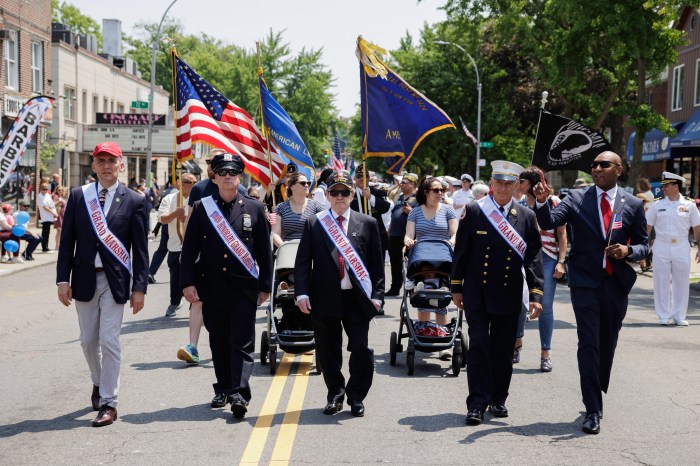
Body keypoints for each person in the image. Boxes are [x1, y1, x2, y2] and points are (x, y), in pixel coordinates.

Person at [533, 151, 648, 435]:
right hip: (584, 282)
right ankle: (593, 409)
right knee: (588, 344)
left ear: (618, 170)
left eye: (603, 164)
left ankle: (596, 388)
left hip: (616, 283)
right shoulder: (575, 198)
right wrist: (542, 200)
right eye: (594, 164)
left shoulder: (632, 204)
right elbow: (548, 221)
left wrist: (628, 251)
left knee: (606, 342)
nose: (596, 168)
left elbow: (645, 245)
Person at [56, 141, 149, 427]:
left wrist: (139, 288)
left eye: (112, 161)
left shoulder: (134, 200)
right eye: (101, 161)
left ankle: (109, 401)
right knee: (88, 341)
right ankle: (98, 382)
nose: (107, 166)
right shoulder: (77, 196)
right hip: (83, 277)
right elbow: (67, 241)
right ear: (93, 165)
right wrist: (62, 279)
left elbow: (141, 249)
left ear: (121, 165)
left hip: (115, 280)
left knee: (109, 340)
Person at [180, 152, 272, 419]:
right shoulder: (202, 207)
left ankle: (240, 394)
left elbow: (264, 252)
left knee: (241, 342)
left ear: (239, 176)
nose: (228, 177)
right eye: (222, 172)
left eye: (232, 172)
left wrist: (265, 285)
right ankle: (222, 388)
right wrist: (187, 283)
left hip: (244, 286)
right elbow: (190, 250)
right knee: (218, 340)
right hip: (212, 286)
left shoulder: (255, 208)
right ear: (214, 176)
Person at [451, 161, 544, 426]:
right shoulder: (474, 210)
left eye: (508, 183)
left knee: (503, 350)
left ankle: (498, 398)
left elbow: (533, 257)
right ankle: (477, 403)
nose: (503, 187)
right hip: (477, 292)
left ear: (516, 186)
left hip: (509, 291)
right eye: (498, 182)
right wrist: (456, 286)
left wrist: (536, 294)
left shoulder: (526, 216)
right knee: (479, 347)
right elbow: (462, 251)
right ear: (491, 184)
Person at [294, 170, 385, 417]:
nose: (340, 197)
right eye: (334, 192)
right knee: (328, 351)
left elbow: (377, 264)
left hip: (357, 299)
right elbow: (303, 261)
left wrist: (377, 295)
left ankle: (356, 396)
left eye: (345, 192)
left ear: (353, 195)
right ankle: (335, 394)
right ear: (328, 196)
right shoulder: (315, 222)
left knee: (360, 348)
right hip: (324, 297)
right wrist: (301, 293)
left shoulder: (368, 223)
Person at [512, 167, 567, 372]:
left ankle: (545, 352)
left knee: (545, 306)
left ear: (532, 183)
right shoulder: (519, 205)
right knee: (521, 303)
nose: (518, 185)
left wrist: (561, 260)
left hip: (549, 258)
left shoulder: (553, 202)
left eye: (522, 181)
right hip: (525, 259)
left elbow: (561, 234)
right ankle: (517, 342)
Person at [404, 177, 459, 359]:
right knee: (424, 294)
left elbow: (454, 233)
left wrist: (452, 241)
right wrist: (408, 241)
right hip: (422, 257)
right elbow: (409, 234)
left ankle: (443, 341)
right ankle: (424, 332)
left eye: (442, 190)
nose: (440, 193)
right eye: (436, 190)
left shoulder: (448, 210)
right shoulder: (415, 213)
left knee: (440, 295)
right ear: (425, 192)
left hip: (442, 257)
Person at [645, 172, 700, 326]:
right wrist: (643, 246)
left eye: (667, 186)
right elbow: (647, 227)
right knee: (661, 281)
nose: (663, 189)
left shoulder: (689, 205)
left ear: (676, 186)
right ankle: (663, 315)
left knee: (681, 281)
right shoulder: (657, 204)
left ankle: (679, 315)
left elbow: (697, 228)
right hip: (661, 244)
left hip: (681, 245)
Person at [158, 173, 197, 318]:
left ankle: (195, 303)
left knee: (197, 277)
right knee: (175, 279)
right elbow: (162, 219)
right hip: (175, 245)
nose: (190, 185)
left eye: (193, 182)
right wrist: (175, 213)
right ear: (179, 183)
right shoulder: (170, 198)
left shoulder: (199, 199)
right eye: (187, 181)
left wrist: (189, 219)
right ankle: (175, 301)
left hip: (194, 247)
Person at [271, 172, 324, 247]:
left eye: (308, 183)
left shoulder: (317, 207)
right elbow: (275, 233)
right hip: (287, 251)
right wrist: (284, 248)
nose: (306, 185)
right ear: (292, 186)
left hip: (311, 251)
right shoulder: (280, 208)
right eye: (303, 183)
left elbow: (324, 232)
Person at [386, 173, 418, 296]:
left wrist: (411, 211)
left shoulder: (418, 198)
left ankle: (412, 287)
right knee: (395, 263)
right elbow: (394, 214)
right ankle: (395, 287)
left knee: (411, 262)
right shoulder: (399, 197)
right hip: (395, 234)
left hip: (409, 236)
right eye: (402, 182)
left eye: (405, 183)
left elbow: (422, 213)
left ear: (413, 184)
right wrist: (390, 230)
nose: (401, 184)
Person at [351, 164, 391, 257]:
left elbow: (385, 207)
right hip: (356, 237)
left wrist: (370, 197)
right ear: (355, 179)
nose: (361, 179)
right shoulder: (350, 194)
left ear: (369, 178)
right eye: (358, 176)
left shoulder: (378, 192)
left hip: (377, 236)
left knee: (378, 269)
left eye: (364, 176)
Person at [37, 182, 58, 252]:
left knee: (47, 232)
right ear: (41, 189)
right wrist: (53, 213)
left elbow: (51, 204)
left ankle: (46, 246)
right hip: (45, 216)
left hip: (50, 216)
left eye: (46, 189)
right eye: (44, 189)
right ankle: (44, 247)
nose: (45, 190)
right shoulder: (40, 196)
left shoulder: (47, 195)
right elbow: (45, 207)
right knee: (45, 232)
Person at [53, 186, 68, 251]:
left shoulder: (61, 197)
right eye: (59, 190)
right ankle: (58, 245)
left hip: (63, 215)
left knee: (59, 232)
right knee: (60, 230)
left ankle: (58, 245)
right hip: (58, 215)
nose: (60, 191)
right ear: (56, 190)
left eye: (61, 190)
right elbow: (53, 205)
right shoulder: (55, 196)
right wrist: (59, 201)